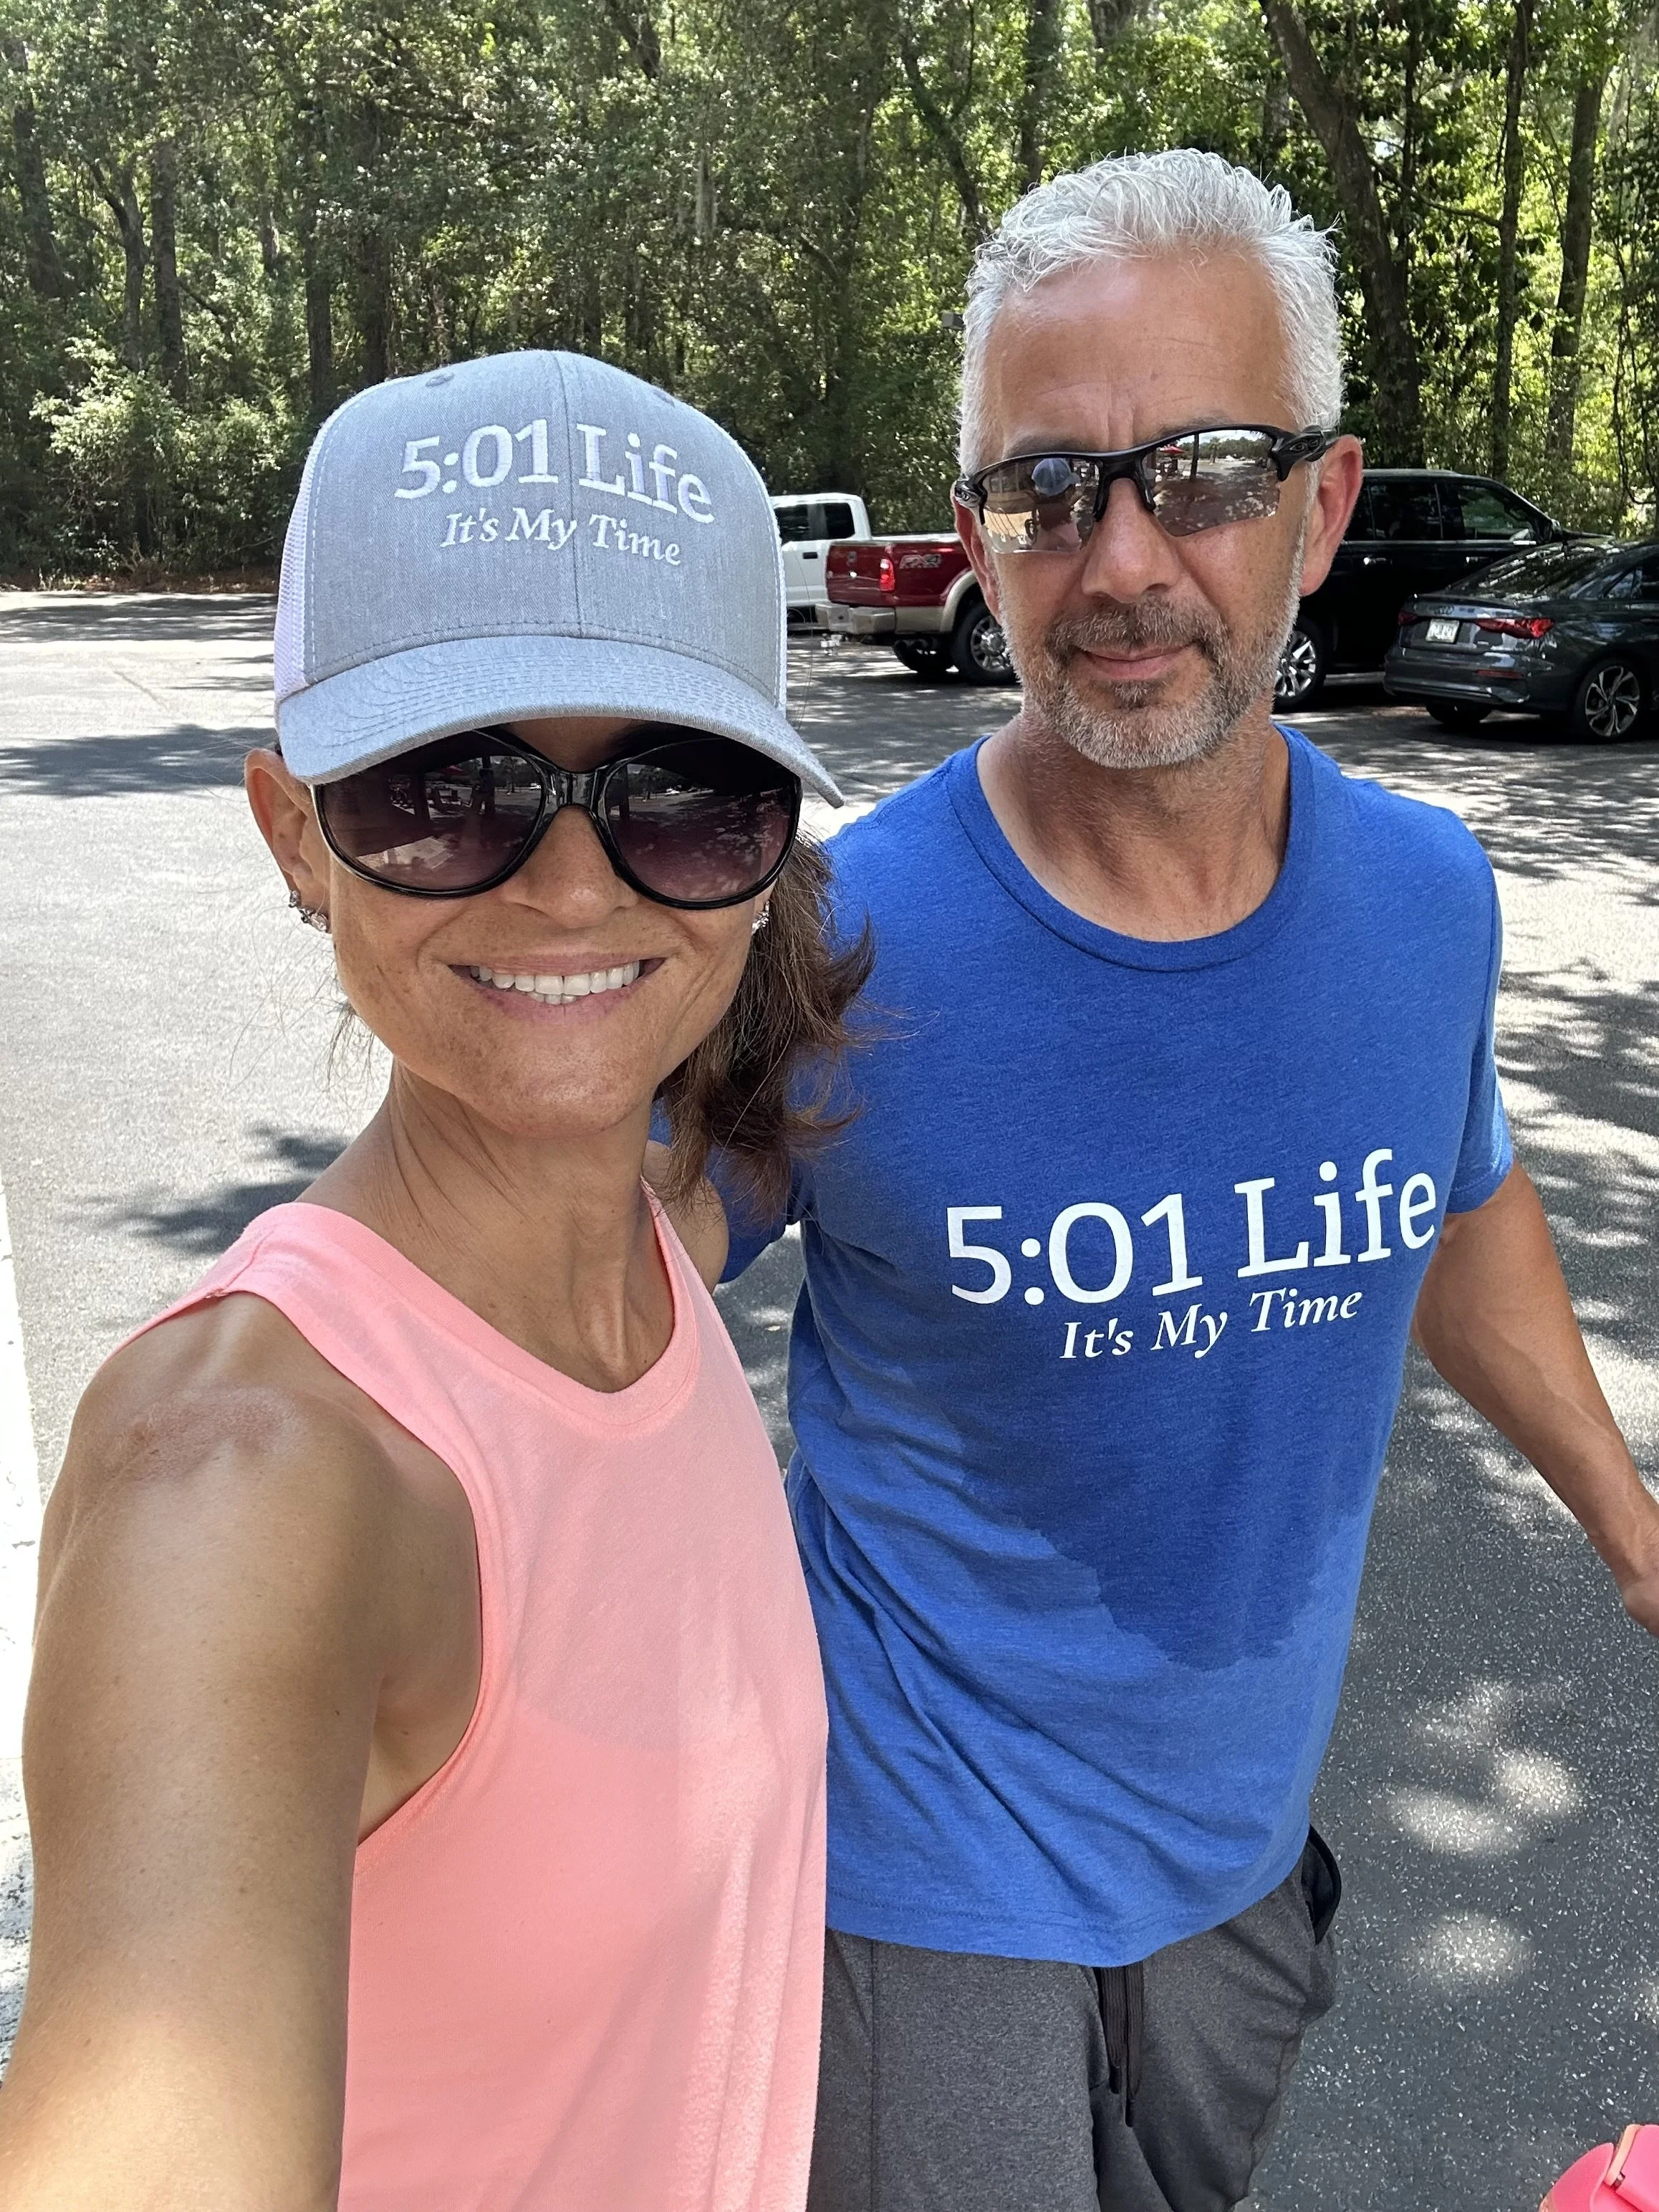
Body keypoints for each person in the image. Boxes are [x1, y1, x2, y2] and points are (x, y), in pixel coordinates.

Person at [693, 152, 1659, 2212]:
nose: (1119, 559)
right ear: (974, 534)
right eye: (1046, 491)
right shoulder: (835, 942)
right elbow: (565, 1279)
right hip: (911, 1864)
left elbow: (1453, 1200)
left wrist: (1628, 1524)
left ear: (1320, 506)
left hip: (1233, 1855)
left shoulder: (1422, 899)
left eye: (1201, 472)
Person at [0, 351, 869, 2212]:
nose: (570, 890)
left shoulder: (638, 1252)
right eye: (444, 793)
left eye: (686, 792)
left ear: (764, 858)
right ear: (292, 837)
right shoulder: (239, 1486)